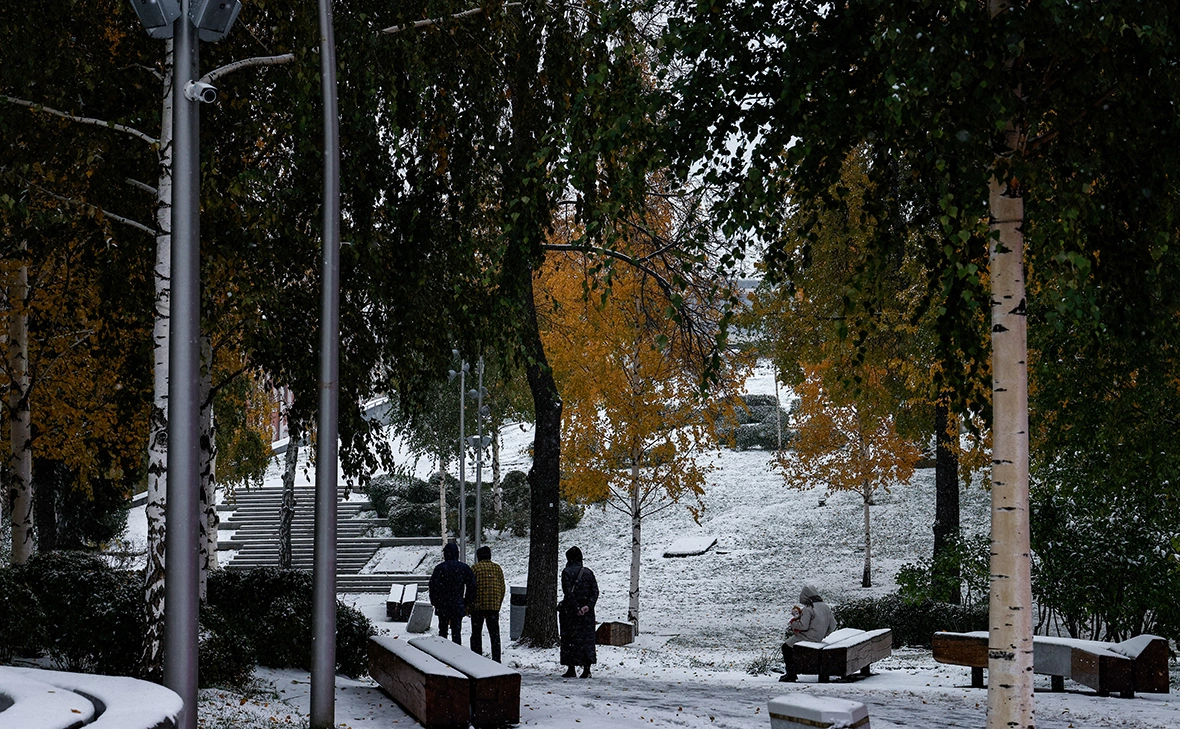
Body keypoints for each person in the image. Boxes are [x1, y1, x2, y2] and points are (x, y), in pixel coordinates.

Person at [780, 585, 836, 682]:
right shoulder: (825, 607)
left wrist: (793, 623)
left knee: (786, 647)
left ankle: (791, 674)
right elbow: (833, 625)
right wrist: (823, 634)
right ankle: (792, 672)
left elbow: (803, 626)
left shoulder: (808, 609)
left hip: (806, 637)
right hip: (818, 638)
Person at [558, 546, 599, 678]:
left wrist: (576, 608)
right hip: (587, 614)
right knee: (586, 640)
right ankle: (587, 669)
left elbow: (568, 592)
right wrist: (588, 606)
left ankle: (571, 668)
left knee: (570, 639)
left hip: (570, 613)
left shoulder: (566, 572)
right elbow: (595, 591)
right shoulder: (588, 572)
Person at [429, 542, 476, 645]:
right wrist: (466, 602)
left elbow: (433, 586)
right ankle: (456, 654)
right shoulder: (464, 568)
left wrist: (435, 602)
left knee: (442, 632)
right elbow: (472, 586)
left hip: (443, 604)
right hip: (457, 603)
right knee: (456, 632)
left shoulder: (440, 568)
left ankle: (442, 653)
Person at [469, 545, 506, 662]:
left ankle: (477, 658)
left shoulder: (475, 568)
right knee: (494, 634)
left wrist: (470, 605)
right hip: (493, 607)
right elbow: (502, 587)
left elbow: (471, 588)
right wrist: (498, 603)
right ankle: (496, 659)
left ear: (478, 556)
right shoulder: (497, 568)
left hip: (478, 606)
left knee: (476, 634)